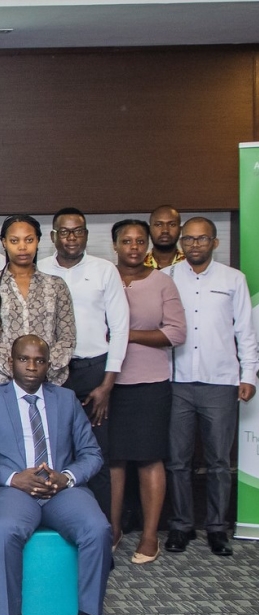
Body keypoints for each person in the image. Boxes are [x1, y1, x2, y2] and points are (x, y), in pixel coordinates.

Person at [0, 335, 114, 615]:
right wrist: (13, 477)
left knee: (97, 529)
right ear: (10, 361)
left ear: (49, 364)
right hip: (12, 491)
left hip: (61, 491)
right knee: (4, 531)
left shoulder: (67, 399)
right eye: (24, 360)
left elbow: (91, 453)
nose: (32, 367)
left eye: (39, 361)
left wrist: (67, 477)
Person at [164, 217, 259, 556]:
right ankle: (181, 525)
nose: (194, 245)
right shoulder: (167, 278)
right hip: (177, 382)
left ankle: (218, 528)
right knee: (178, 460)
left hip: (220, 381)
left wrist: (248, 375)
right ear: (181, 244)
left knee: (219, 461)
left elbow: (245, 332)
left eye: (202, 239)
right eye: (188, 239)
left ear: (214, 243)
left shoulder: (234, 279)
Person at [38, 208, 130, 518]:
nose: (72, 237)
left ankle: (100, 534)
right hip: (51, 374)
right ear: (53, 237)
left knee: (95, 454)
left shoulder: (105, 270)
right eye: (64, 231)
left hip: (94, 372)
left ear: (87, 235)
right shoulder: (40, 270)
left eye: (78, 231)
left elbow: (120, 328)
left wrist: (107, 384)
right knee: (54, 452)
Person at [105, 219, 186, 563]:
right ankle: (113, 529)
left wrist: (129, 335)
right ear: (115, 246)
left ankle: (150, 535)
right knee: (112, 460)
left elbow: (176, 334)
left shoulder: (162, 282)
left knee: (150, 458)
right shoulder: (104, 277)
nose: (134, 247)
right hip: (108, 384)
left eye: (140, 241)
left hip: (149, 384)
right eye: (127, 241)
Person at [0, 215, 76, 386]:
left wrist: (42, 370)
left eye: (29, 240)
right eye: (14, 241)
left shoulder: (57, 285)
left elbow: (68, 337)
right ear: (4, 243)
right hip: (3, 381)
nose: (22, 247)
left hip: (51, 381)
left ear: (37, 241)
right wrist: (20, 372)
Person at [144, 205, 185, 270]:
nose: (165, 230)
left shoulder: (189, 263)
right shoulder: (138, 265)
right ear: (149, 229)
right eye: (158, 225)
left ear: (180, 230)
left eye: (172, 224)